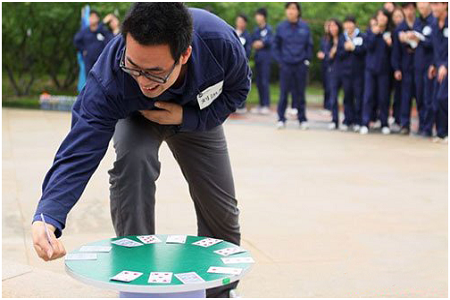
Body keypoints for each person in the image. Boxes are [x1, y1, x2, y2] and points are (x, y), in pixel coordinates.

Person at [31, 3, 252, 298]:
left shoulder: (220, 43)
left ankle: (220, 291)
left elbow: (237, 90)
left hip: (197, 117)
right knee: (133, 162)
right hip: (139, 118)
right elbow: (80, 147)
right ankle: (138, 281)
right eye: (134, 68)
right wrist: (48, 214)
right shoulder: (110, 75)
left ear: (184, 54)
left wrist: (189, 118)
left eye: (155, 72)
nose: (144, 81)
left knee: (221, 207)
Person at [273, 2, 313, 129]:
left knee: (300, 93)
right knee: (284, 93)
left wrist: (307, 60)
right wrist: (280, 61)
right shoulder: (281, 27)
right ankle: (281, 118)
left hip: (301, 64)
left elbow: (309, 45)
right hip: (286, 64)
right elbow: (276, 46)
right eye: (289, 9)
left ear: (298, 11)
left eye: (293, 9)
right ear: (286, 11)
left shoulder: (304, 27)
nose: (291, 11)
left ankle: (302, 119)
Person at [360, 9, 393, 135]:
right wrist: (374, 34)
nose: (382, 19)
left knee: (383, 97)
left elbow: (393, 52)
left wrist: (390, 44)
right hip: (370, 69)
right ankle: (365, 122)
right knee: (368, 96)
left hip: (384, 70)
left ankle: (384, 123)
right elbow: (367, 47)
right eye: (380, 16)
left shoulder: (390, 33)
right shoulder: (370, 31)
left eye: (385, 17)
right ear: (377, 18)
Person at [334, 15, 366, 132]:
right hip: (346, 72)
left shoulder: (362, 36)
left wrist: (353, 48)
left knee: (359, 97)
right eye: (346, 23)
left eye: (350, 23)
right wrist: (346, 49)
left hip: (358, 72)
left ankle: (358, 121)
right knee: (347, 97)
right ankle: (348, 120)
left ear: (354, 24)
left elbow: (364, 51)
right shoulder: (342, 37)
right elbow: (339, 53)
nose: (348, 26)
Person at [391, 3, 418, 135]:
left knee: (421, 96)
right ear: (403, 10)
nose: (409, 11)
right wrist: (396, 68)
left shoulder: (420, 25)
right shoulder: (399, 29)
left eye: (411, 8)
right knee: (405, 97)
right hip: (405, 66)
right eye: (406, 9)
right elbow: (395, 51)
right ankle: (405, 124)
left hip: (419, 65)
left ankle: (424, 124)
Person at [412, 2, 436, 137]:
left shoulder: (434, 21)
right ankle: (421, 125)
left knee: (428, 97)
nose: (421, 7)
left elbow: (434, 43)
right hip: (417, 65)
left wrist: (420, 39)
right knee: (419, 96)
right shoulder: (417, 21)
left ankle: (428, 127)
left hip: (428, 66)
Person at [428, 2, 448, 143]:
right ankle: (441, 133)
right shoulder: (434, 24)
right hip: (439, 66)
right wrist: (434, 65)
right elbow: (436, 48)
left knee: (444, 98)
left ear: (445, 5)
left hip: (446, 67)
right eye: (432, 4)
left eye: (437, 4)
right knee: (436, 100)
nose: (434, 8)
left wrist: (446, 65)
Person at [74, 10, 114, 76]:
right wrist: (83, 50)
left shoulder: (102, 30)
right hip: (89, 60)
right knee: (89, 78)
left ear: (98, 19)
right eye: (90, 17)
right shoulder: (85, 31)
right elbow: (76, 40)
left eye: (94, 17)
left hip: (101, 60)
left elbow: (110, 39)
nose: (92, 19)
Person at [250, 8, 273, 116]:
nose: (257, 18)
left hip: (266, 59)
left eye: (258, 15)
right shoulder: (256, 30)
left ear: (263, 16)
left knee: (264, 81)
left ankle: (266, 104)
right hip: (258, 58)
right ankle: (260, 104)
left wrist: (261, 43)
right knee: (258, 82)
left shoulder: (269, 29)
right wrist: (258, 43)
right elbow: (253, 42)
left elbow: (269, 41)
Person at [326, 18, 344, 130]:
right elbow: (327, 58)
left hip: (346, 71)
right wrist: (331, 53)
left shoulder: (344, 38)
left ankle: (349, 120)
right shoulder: (328, 41)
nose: (332, 28)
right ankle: (334, 120)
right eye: (330, 26)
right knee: (333, 97)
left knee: (348, 97)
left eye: (334, 26)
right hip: (334, 71)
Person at [390, 7, 405, 130]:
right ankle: (396, 117)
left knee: (403, 95)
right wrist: (396, 68)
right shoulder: (393, 31)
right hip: (393, 66)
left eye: (400, 16)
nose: (398, 19)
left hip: (408, 66)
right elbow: (395, 52)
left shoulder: (408, 28)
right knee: (396, 94)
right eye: (395, 16)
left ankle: (401, 119)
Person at [235, 13, 252, 114]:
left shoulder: (247, 35)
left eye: (242, 22)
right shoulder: (232, 32)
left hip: (243, 63)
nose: (239, 23)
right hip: (233, 63)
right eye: (238, 21)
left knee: (242, 83)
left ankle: (242, 105)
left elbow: (248, 50)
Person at [317, 20, 332, 113]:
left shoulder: (334, 39)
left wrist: (325, 55)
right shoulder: (324, 38)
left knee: (330, 86)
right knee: (325, 85)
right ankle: (325, 106)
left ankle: (330, 106)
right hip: (324, 64)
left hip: (331, 64)